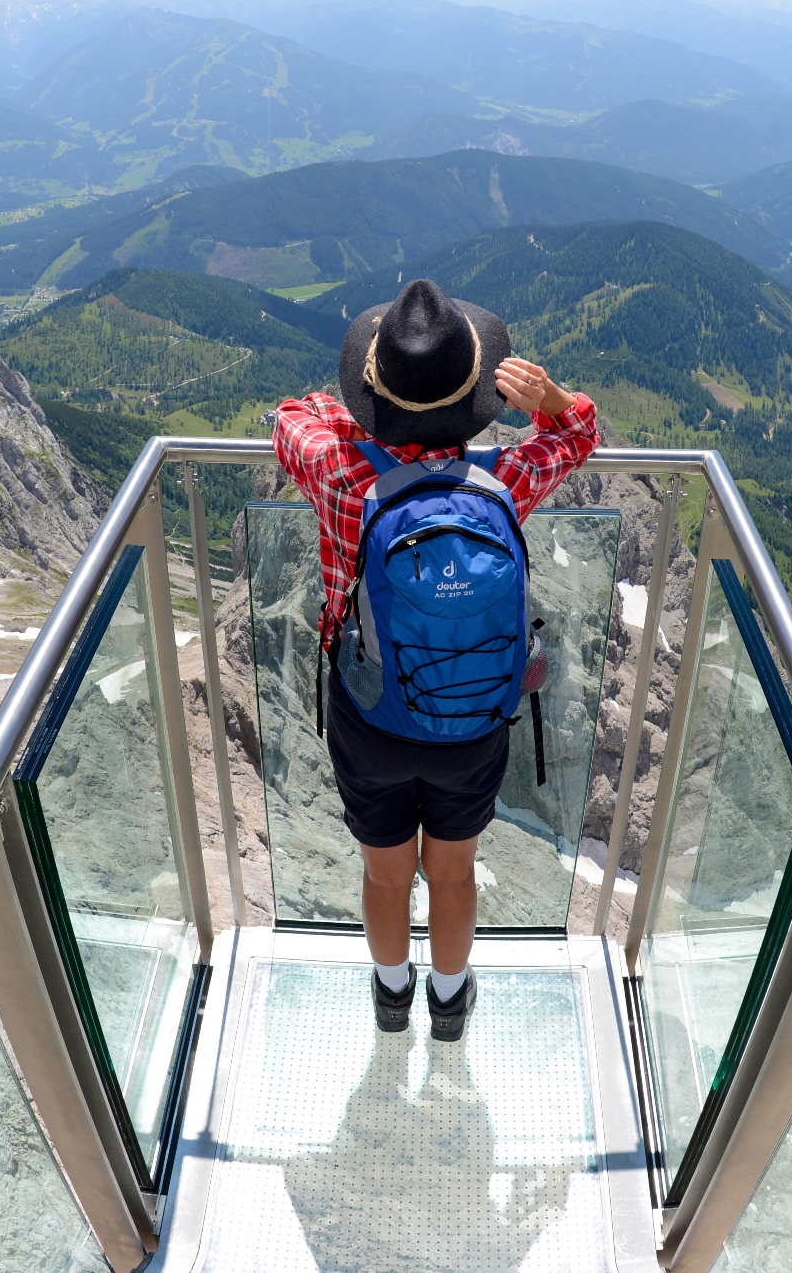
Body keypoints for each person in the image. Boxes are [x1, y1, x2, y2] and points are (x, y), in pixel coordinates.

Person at [273, 278, 600, 1039]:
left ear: (374, 393)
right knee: (452, 873)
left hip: (371, 718)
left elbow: (292, 417)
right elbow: (580, 433)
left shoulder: (340, 471)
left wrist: (362, 405)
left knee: (386, 874)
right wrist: (552, 400)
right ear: (475, 398)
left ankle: (392, 997)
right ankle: (449, 1004)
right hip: (474, 721)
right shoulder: (503, 478)